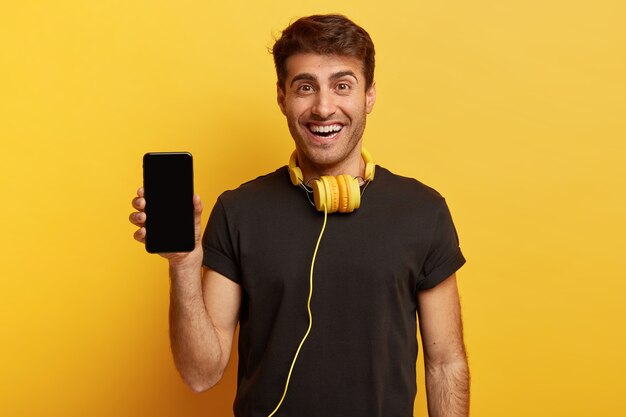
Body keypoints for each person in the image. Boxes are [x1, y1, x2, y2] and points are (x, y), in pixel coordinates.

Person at [130, 14, 469, 417]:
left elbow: (445, 362)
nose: (324, 108)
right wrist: (185, 265)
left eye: (343, 86)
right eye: (305, 87)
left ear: (370, 95)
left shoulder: (422, 211)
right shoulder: (238, 211)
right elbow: (200, 374)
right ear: (281, 97)